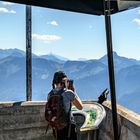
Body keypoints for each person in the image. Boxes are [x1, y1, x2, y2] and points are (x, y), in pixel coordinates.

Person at [50, 70, 83, 140]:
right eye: (67, 80)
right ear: (64, 81)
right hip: (68, 128)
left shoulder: (50, 94)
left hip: (56, 127)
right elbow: (80, 107)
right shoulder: (68, 93)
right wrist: (74, 92)